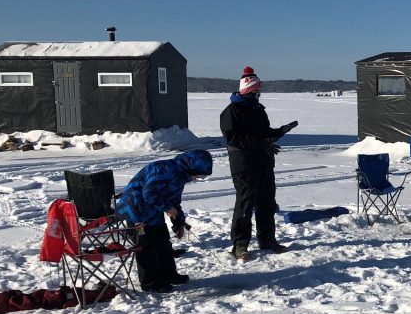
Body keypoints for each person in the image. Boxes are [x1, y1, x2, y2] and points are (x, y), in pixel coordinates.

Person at [219, 66, 298, 261]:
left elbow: (263, 134)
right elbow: (233, 139)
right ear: (247, 90)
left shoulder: (258, 110)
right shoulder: (231, 111)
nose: (258, 94)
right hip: (243, 165)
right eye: (256, 91)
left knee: (267, 203)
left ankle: (267, 240)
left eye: (259, 91)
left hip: (263, 163)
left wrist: (278, 132)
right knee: (245, 206)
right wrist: (260, 143)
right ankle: (240, 245)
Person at [116, 149, 213, 293]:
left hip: (152, 211)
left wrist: (178, 223)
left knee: (163, 242)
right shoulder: (165, 170)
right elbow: (149, 194)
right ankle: (150, 283)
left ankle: (168, 275)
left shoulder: (181, 176)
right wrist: (167, 208)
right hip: (135, 210)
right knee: (147, 247)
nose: (197, 177)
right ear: (191, 166)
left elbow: (174, 201)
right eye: (198, 174)